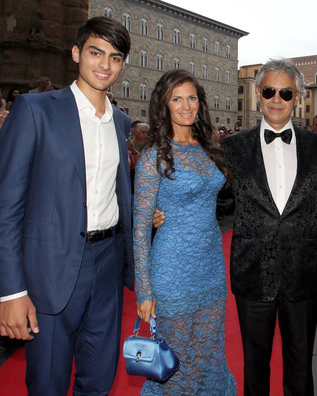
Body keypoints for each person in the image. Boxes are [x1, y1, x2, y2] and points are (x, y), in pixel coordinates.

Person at [0, 16, 133, 395]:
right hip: (49, 271)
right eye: (95, 53)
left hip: (108, 267)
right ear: (76, 54)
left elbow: (117, 194)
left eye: (115, 57)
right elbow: (7, 209)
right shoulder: (36, 110)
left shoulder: (121, 122)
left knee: (99, 381)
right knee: (48, 384)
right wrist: (11, 291)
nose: (104, 65)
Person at [222, 58, 317, 395]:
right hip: (252, 274)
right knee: (255, 367)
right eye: (269, 90)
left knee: (301, 368)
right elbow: (219, 204)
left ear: (296, 97)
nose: (276, 99)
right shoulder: (231, 148)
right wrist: (165, 213)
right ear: (258, 94)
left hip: (304, 274)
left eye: (285, 92)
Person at [134, 69, 236, 395]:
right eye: (176, 99)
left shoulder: (209, 148)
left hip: (210, 268)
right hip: (172, 271)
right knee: (176, 365)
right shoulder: (153, 157)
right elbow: (139, 228)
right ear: (164, 105)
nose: (186, 105)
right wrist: (144, 290)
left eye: (192, 97)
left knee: (207, 357)